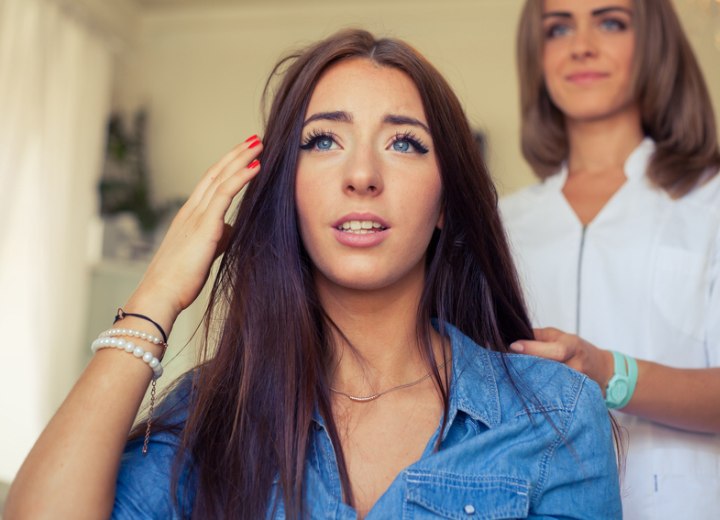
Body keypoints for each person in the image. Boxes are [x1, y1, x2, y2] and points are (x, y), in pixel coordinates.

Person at [6, 29, 621, 519]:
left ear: (446, 207)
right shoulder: (213, 413)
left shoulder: (555, 414)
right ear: (285, 190)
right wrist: (157, 294)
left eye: (404, 143)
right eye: (323, 140)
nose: (361, 175)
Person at [502, 0, 720, 518]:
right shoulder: (500, 220)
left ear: (654, 43)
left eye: (610, 21)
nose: (581, 45)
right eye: (558, 28)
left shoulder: (711, 203)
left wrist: (610, 373)